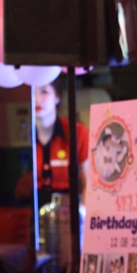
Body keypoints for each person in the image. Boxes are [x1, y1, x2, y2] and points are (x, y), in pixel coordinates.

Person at [15, 78, 90, 208]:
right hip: (32, 209)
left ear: (57, 97)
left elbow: (88, 184)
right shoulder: (22, 136)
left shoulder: (77, 132)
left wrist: (82, 214)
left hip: (70, 209)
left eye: (44, 92)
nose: (37, 98)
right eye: (33, 93)